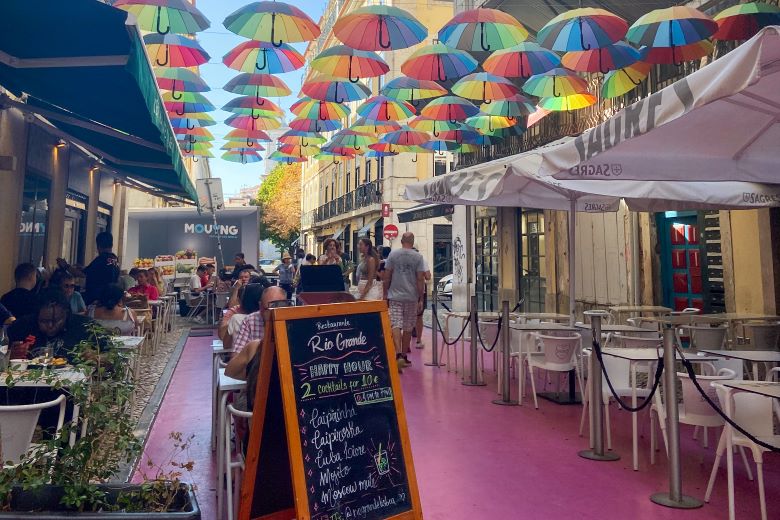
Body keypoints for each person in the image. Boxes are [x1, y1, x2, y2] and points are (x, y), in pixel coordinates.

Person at [8, 288, 98, 363]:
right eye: (44, 321)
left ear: (66, 314)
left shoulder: (85, 326)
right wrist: (9, 355)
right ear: (36, 316)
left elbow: (111, 353)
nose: (50, 325)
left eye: (56, 320)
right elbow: (3, 354)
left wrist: (97, 357)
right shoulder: (21, 326)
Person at [383, 233, 425, 372]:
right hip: (411, 297)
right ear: (412, 242)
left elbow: (387, 276)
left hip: (395, 296)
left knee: (396, 323)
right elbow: (420, 279)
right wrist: (421, 298)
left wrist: (385, 294)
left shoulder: (393, 255)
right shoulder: (418, 257)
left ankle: (397, 353)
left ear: (401, 241)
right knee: (408, 326)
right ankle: (404, 355)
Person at [57, 232, 119, 306]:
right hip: (110, 297)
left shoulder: (101, 258)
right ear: (111, 244)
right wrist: (84, 268)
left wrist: (65, 266)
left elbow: (82, 274)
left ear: (98, 245)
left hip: (97, 298)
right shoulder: (114, 259)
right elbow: (102, 271)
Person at [231, 284, 281, 355]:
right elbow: (236, 357)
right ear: (260, 306)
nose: (272, 314)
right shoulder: (250, 320)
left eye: (278, 308)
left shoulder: (293, 320)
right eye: (267, 309)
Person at [220, 283, 263, 351]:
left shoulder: (236, 319)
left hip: (240, 357)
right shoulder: (267, 318)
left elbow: (226, 345)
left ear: (243, 299)